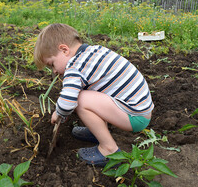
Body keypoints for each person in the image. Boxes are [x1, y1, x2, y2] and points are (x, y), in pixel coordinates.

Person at [34, 23, 154, 167]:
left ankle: (109, 150)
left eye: (52, 64)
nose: (54, 71)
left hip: (134, 117)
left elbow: (67, 102)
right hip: (139, 109)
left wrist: (59, 113)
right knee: (90, 92)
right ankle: (96, 131)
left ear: (64, 50)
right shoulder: (93, 51)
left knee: (81, 99)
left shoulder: (75, 67)